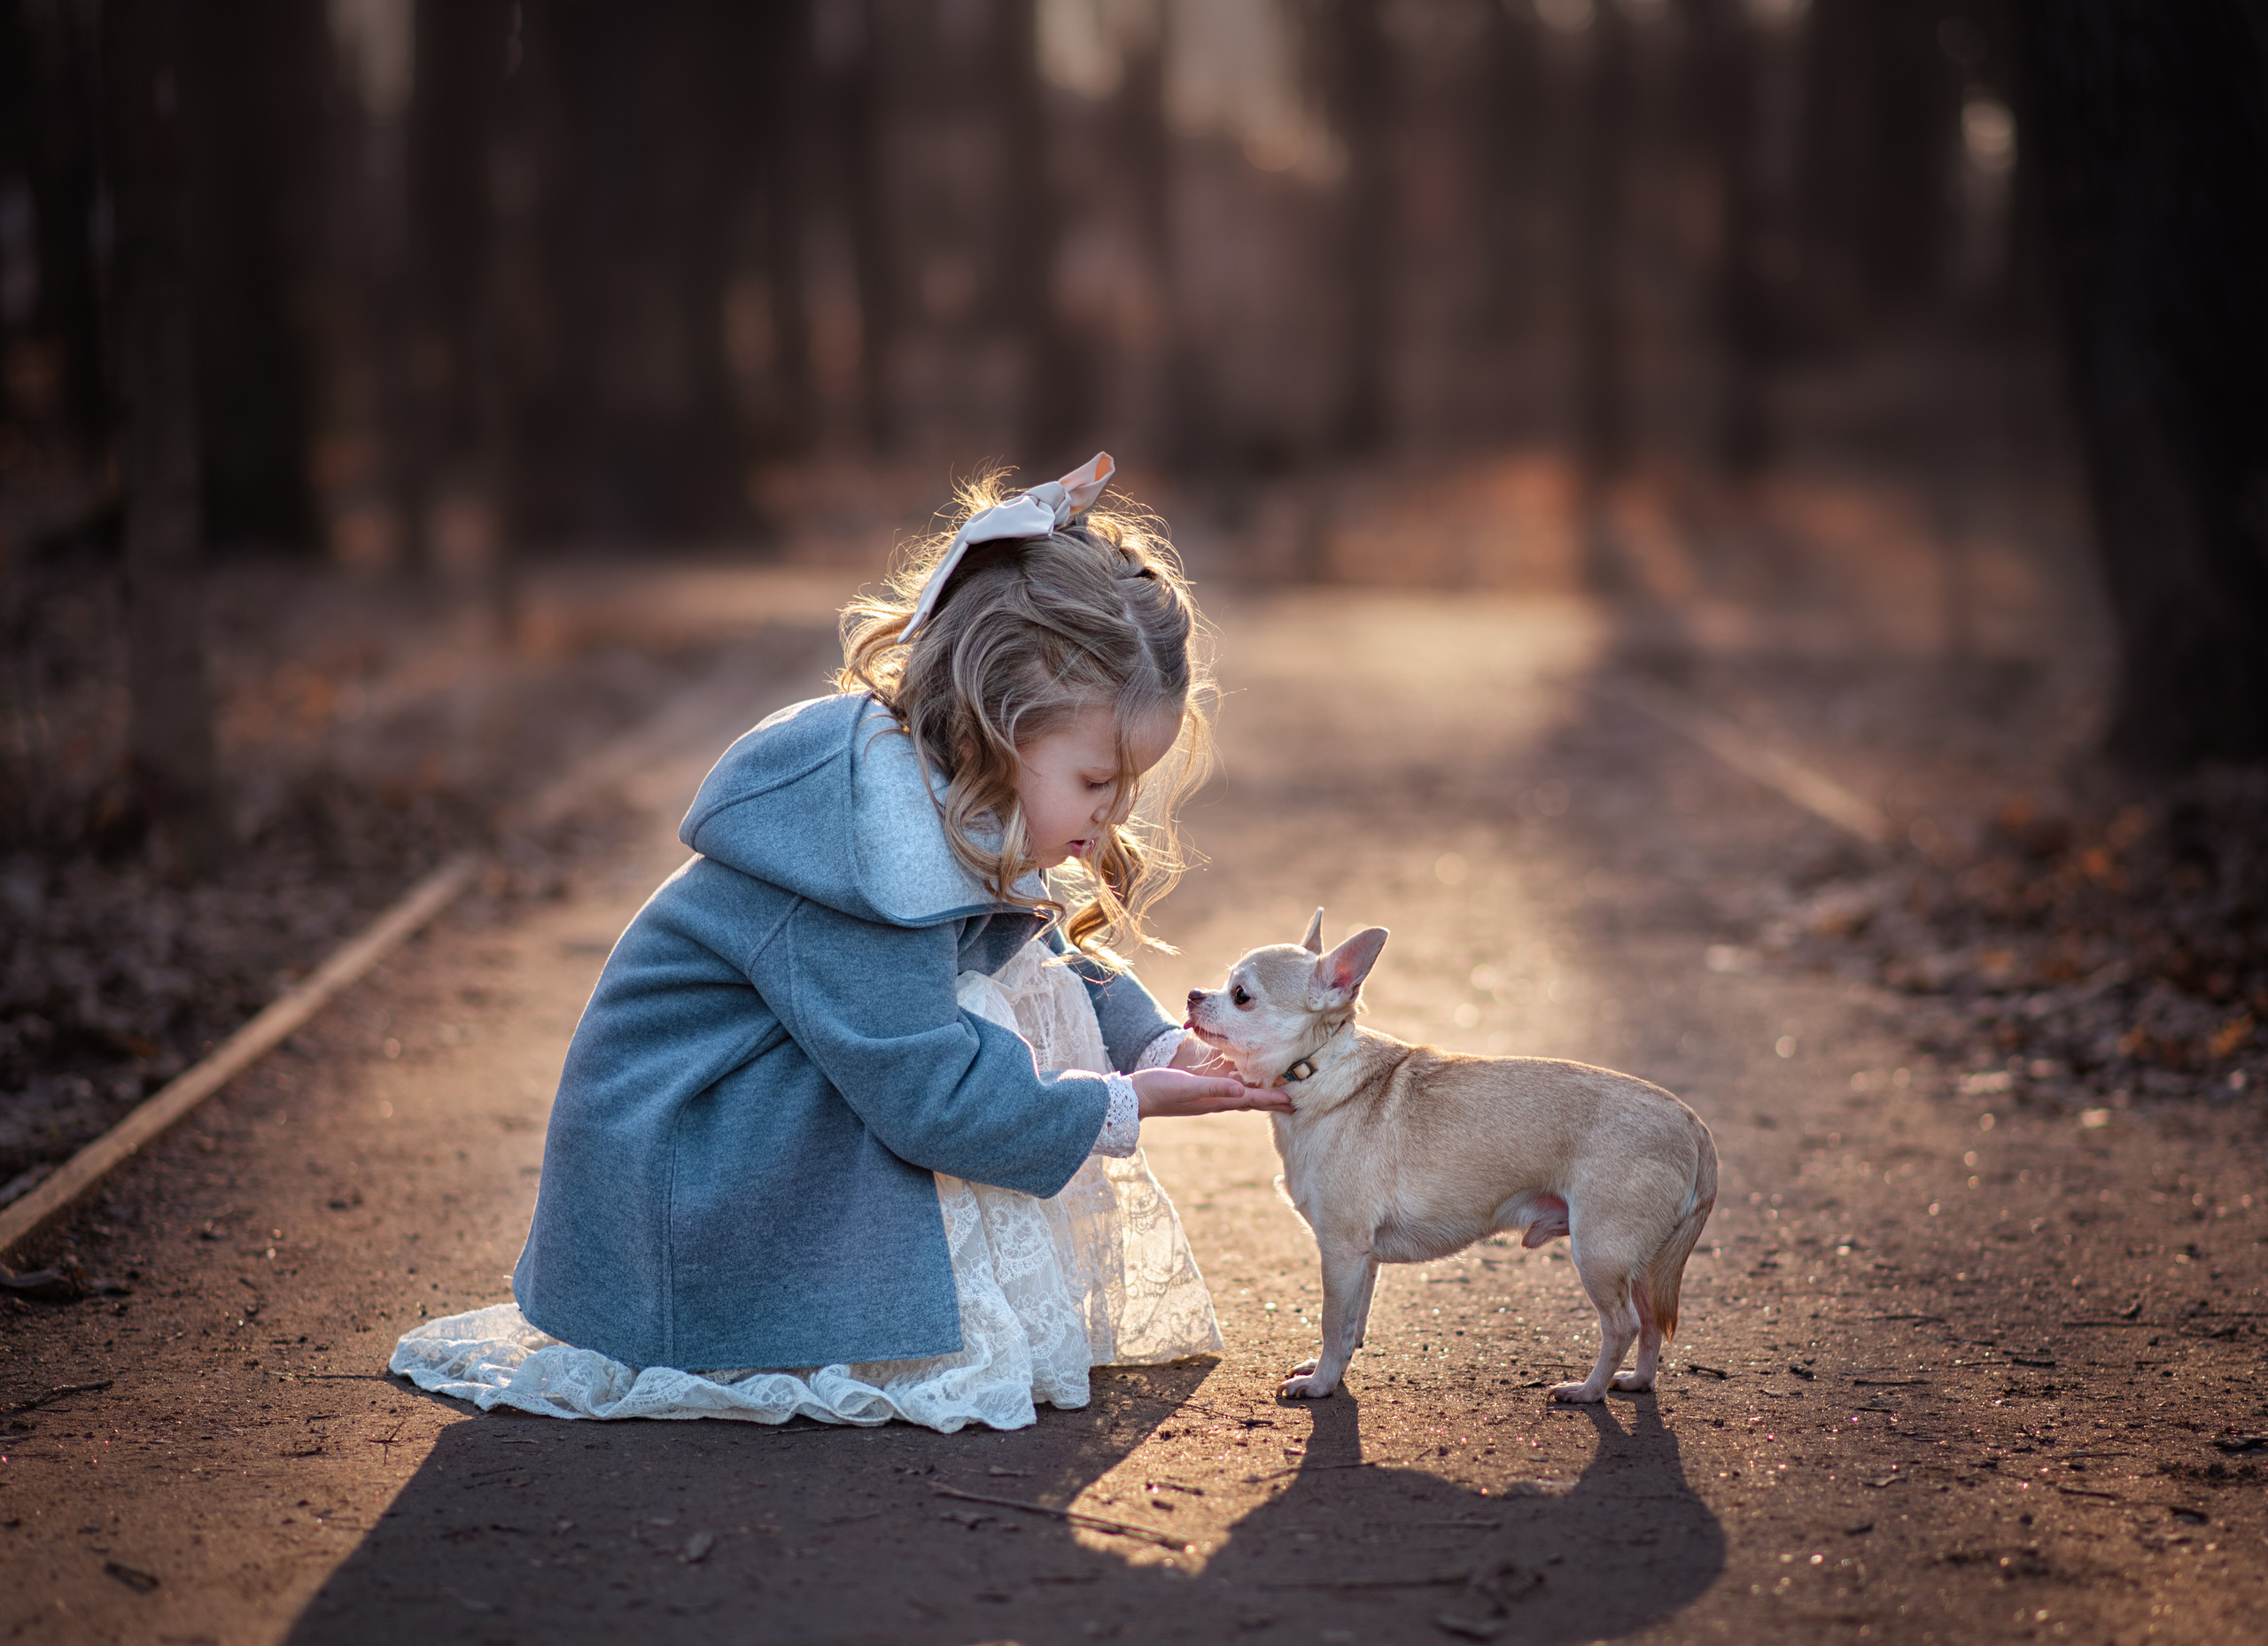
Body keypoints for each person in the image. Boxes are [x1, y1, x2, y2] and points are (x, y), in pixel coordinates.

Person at [391, 454, 1287, 1431]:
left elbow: (1031, 954)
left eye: (1129, 786)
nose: (1112, 814)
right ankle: (810, 1317)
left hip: (753, 1127)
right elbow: (929, 1095)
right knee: (966, 1030)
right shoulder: (869, 850)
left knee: (988, 998)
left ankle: (890, 1297)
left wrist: (1154, 1045)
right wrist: (1119, 1104)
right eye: (1094, 782)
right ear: (993, 720)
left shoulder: (953, 788)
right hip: (684, 1175)